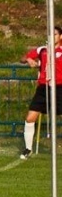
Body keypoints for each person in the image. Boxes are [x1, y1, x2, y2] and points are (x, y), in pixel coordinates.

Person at [20, 26, 62, 159]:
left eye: (54, 34)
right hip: (43, 89)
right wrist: (28, 60)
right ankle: (28, 149)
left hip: (60, 88)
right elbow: (23, 57)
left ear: (60, 36)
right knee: (30, 118)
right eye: (49, 34)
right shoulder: (42, 50)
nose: (51, 36)